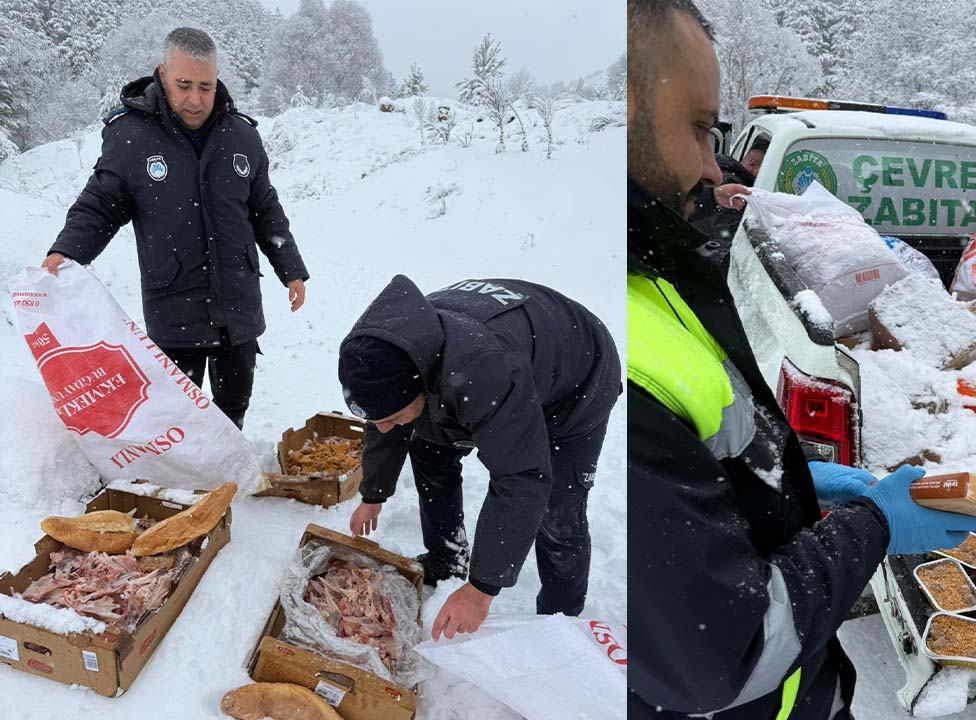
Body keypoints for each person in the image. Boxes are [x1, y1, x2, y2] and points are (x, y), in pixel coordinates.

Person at [627, 2, 976, 718]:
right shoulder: (622, 342)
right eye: (700, 129)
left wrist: (784, 486)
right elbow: (723, 655)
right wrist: (874, 527)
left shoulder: (647, 278)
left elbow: (694, 462)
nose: (714, 166)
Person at [42, 27, 307, 429]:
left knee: (233, 404)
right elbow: (100, 205)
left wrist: (291, 267)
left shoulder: (241, 136)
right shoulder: (131, 136)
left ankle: (224, 476)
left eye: (206, 86)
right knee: (175, 415)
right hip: (174, 303)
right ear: (162, 75)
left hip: (238, 303)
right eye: (184, 85)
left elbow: (264, 208)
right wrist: (66, 250)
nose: (196, 99)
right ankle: (182, 484)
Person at [338, 276, 620, 642]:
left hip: (576, 381)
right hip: (499, 357)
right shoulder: (386, 355)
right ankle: (446, 556)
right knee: (428, 451)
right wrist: (373, 493)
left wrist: (482, 589)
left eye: (393, 416)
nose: (385, 427)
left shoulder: (480, 371)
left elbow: (520, 477)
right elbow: (384, 419)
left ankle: (559, 624)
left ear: (420, 383)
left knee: (557, 508)